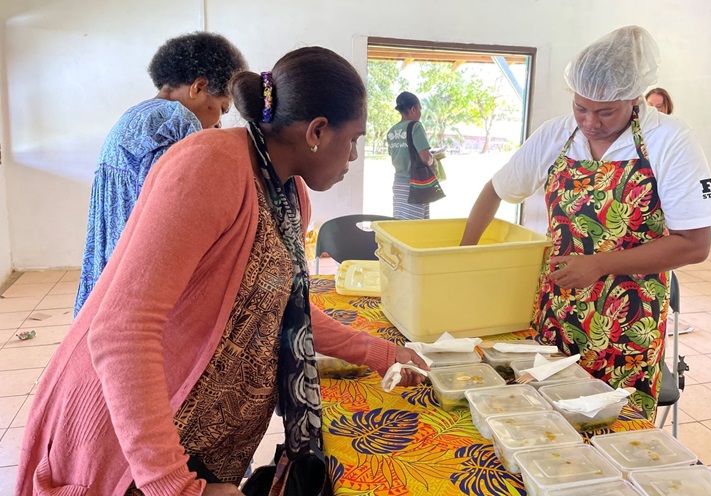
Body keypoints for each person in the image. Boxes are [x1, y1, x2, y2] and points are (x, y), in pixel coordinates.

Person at [17, 46, 429, 496]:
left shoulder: (289, 193)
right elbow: (122, 331)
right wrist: (173, 485)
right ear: (316, 131)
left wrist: (379, 352)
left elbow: (283, 304)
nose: (352, 156)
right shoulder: (210, 165)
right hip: (131, 440)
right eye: (353, 140)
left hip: (196, 444)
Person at [460, 26, 711, 420]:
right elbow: (494, 190)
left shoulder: (669, 139)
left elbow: (695, 244)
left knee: (613, 423)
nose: (590, 122)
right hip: (556, 309)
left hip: (628, 320)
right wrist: (464, 257)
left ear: (633, 98)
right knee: (542, 415)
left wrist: (599, 264)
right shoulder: (557, 134)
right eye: (580, 108)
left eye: (605, 112)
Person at [73, 32, 248, 316]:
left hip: (111, 263)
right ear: (199, 87)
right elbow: (180, 210)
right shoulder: (178, 120)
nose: (218, 122)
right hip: (142, 266)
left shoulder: (133, 115)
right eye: (222, 108)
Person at [386, 91, 435, 219]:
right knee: (416, 226)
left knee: (401, 223)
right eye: (420, 109)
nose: (420, 112)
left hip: (399, 185)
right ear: (413, 109)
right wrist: (433, 159)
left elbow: (396, 155)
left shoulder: (391, 131)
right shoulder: (416, 126)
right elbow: (425, 158)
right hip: (416, 184)